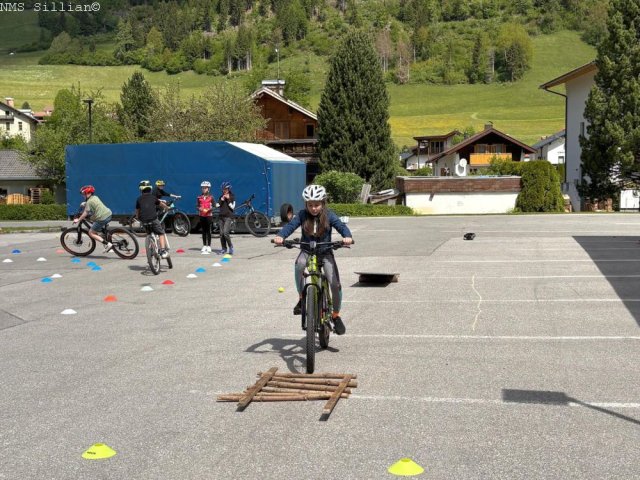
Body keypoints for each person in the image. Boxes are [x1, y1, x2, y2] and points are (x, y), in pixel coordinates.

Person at [274, 184, 353, 335]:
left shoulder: (329, 215)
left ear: (323, 203)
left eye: (317, 205)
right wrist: (281, 236)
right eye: (310, 205)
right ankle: (302, 297)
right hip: (307, 250)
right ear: (306, 204)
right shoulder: (302, 215)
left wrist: (347, 236)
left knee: (334, 283)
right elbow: (290, 226)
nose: (313, 208)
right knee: (299, 264)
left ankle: (336, 315)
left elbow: (341, 226)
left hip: (325, 252)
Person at [74, 185, 114, 253]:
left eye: (84, 194)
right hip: (109, 214)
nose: (83, 196)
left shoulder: (89, 202)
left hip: (102, 218)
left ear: (87, 193)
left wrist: (78, 219)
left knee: (91, 232)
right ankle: (102, 234)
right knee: (93, 219)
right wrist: (85, 203)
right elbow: (93, 203)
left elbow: (85, 213)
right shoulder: (95, 197)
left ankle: (107, 244)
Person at [135, 180, 169, 258]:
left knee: (149, 233)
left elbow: (137, 211)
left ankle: (150, 247)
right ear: (150, 189)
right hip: (153, 219)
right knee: (161, 233)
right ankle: (162, 251)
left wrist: (137, 217)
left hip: (144, 221)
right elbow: (161, 204)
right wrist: (167, 207)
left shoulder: (139, 199)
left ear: (141, 190)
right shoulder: (153, 197)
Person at [218, 181, 235, 255]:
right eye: (223, 189)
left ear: (228, 189)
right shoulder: (221, 197)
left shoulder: (232, 196)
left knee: (225, 233)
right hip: (221, 217)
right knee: (221, 234)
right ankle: (224, 249)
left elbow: (233, 207)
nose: (224, 191)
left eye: (225, 189)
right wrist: (221, 201)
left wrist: (228, 199)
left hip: (228, 217)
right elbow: (218, 205)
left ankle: (230, 247)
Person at [197, 181, 214, 254]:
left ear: (208, 189)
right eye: (202, 188)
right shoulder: (199, 197)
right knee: (203, 231)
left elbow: (214, 206)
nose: (203, 189)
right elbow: (197, 206)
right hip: (202, 216)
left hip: (209, 216)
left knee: (208, 231)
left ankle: (209, 246)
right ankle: (204, 245)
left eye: (205, 188)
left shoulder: (211, 197)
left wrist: (209, 209)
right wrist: (200, 209)